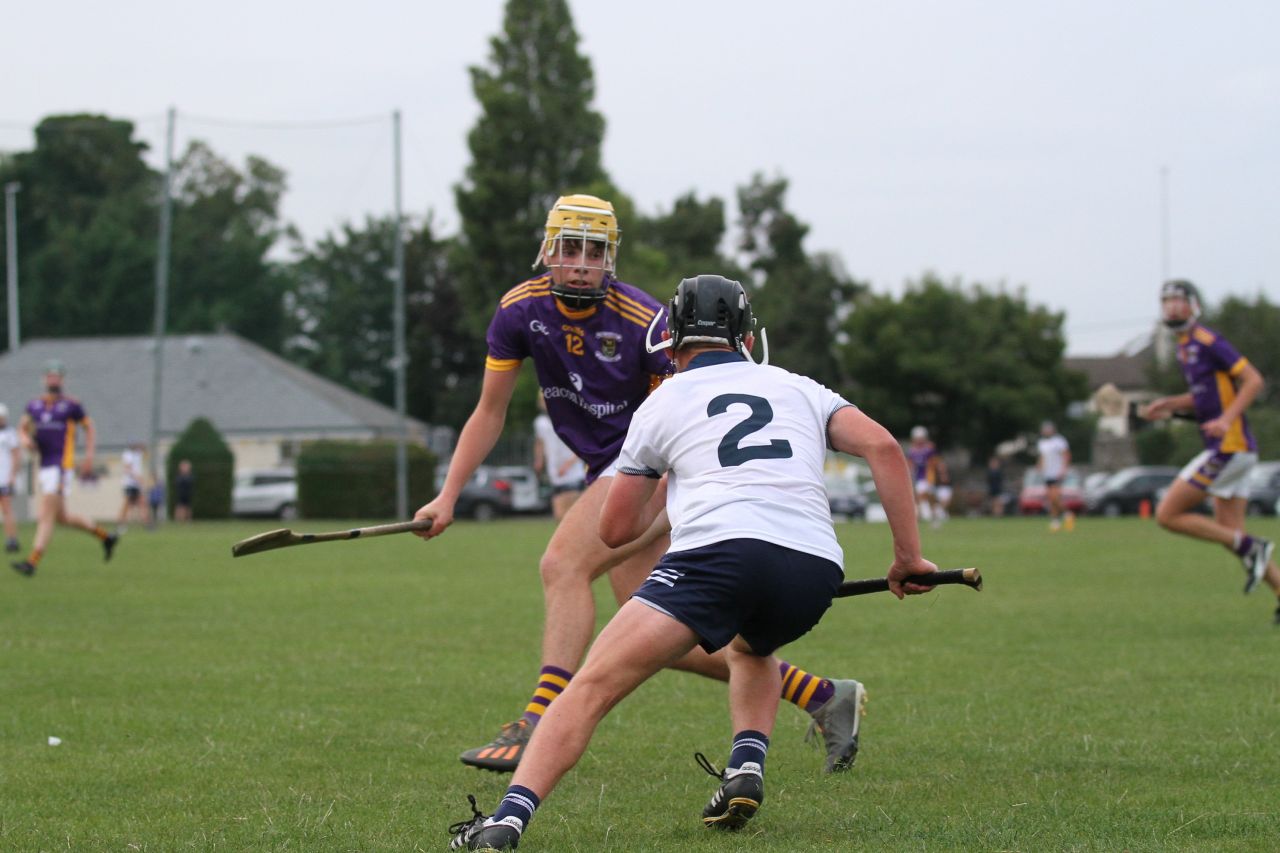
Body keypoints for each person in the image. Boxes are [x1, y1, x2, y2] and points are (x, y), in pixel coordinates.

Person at [447, 275, 938, 851]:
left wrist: (669, 482)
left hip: (718, 558)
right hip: (813, 568)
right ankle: (746, 765)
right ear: (746, 336)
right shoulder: (797, 385)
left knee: (590, 687)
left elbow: (614, 530)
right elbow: (883, 446)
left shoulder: (662, 403)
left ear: (673, 338)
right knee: (752, 648)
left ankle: (504, 823)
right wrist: (907, 557)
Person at [415, 196, 866, 775]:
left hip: (645, 470)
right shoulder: (516, 311)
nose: (581, 263)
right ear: (547, 251)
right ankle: (823, 695)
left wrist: (665, 503)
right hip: (605, 468)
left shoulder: (648, 322)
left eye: (594, 250)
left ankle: (538, 720)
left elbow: (676, 423)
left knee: (563, 565)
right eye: (569, 248)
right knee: (648, 624)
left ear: (612, 257)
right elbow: (489, 412)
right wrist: (448, 495)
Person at [1140, 280, 1280, 623]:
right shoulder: (1183, 347)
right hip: (1232, 448)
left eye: (1178, 301)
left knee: (1167, 515)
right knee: (1230, 534)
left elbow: (1253, 380)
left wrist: (1226, 419)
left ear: (1194, 305)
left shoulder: (1208, 340)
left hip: (1229, 446)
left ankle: (1254, 547)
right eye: (1166, 302)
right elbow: (1207, 398)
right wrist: (1170, 404)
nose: (1172, 307)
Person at [10, 360, 118, 577]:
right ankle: (106, 537)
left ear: (62, 379)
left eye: (57, 376)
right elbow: (21, 428)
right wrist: (25, 440)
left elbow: (89, 428)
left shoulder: (71, 405)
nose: (53, 379)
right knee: (63, 518)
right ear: (44, 379)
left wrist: (88, 456)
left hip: (61, 465)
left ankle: (32, 563)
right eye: (50, 375)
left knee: (45, 515)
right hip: (45, 465)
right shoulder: (35, 405)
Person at [532, 394, 585, 520]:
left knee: (571, 515)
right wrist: (539, 460)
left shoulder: (569, 418)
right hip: (555, 473)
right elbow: (540, 442)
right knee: (559, 516)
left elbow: (582, 446)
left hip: (573, 473)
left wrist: (568, 464)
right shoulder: (540, 423)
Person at [1036, 420, 1073, 531]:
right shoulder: (1042, 443)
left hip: (1057, 473)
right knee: (1051, 499)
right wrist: (1039, 466)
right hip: (1047, 474)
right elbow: (1042, 457)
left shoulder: (1059, 441)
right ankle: (1057, 520)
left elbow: (1066, 455)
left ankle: (1066, 515)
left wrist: (1064, 469)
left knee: (1054, 496)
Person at [906, 426, 942, 527]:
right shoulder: (912, 450)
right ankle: (918, 517)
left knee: (929, 498)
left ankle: (933, 518)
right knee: (919, 497)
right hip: (919, 478)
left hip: (929, 477)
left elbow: (935, 462)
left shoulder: (929, 448)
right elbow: (910, 463)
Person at [0, 403, 21, 552]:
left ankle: (12, 539)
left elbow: (16, 455)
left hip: (4, 478)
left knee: (7, 509)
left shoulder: (10, 434)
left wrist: (13, 475)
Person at [117, 442, 149, 528]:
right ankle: (121, 523)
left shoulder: (138, 454)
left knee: (143, 502)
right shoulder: (128, 454)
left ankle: (146, 523)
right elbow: (128, 468)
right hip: (129, 483)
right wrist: (137, 478)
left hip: (137, 485)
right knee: (127, 504)